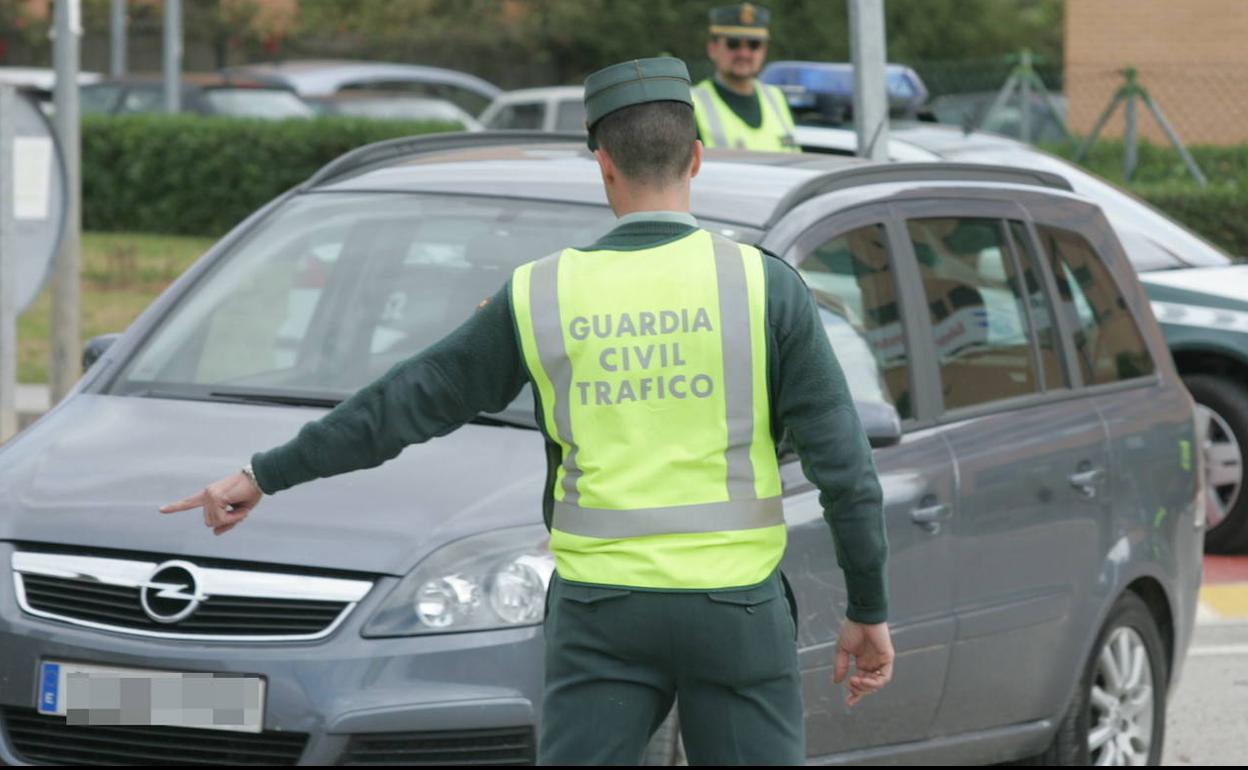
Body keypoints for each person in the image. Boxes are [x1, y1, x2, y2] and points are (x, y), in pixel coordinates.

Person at [160, 56, 892, 766]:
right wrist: (867, 608)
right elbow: (847, 473)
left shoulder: (542, 294)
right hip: (735, 612)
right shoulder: (765, 288)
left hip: (603, 617)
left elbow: (406, 404)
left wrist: (264, 474)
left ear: (602, 162)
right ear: (697, 158)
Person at [692, 2, 799, 152]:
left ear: (764, 50)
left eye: (754, 45)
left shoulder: (778, 99)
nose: (744, 53)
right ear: (712, 49)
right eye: (733, 44)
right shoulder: (692, 104)